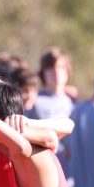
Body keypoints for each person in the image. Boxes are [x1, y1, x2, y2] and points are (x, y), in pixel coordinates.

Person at [30, 47, 76, 178]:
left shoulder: (73, 101)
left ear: (67, 71)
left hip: (72, 178)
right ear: (43, 73)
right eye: (51, 68)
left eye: (61, 67)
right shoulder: (34, 101)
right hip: (45, 175)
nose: (56, 72)